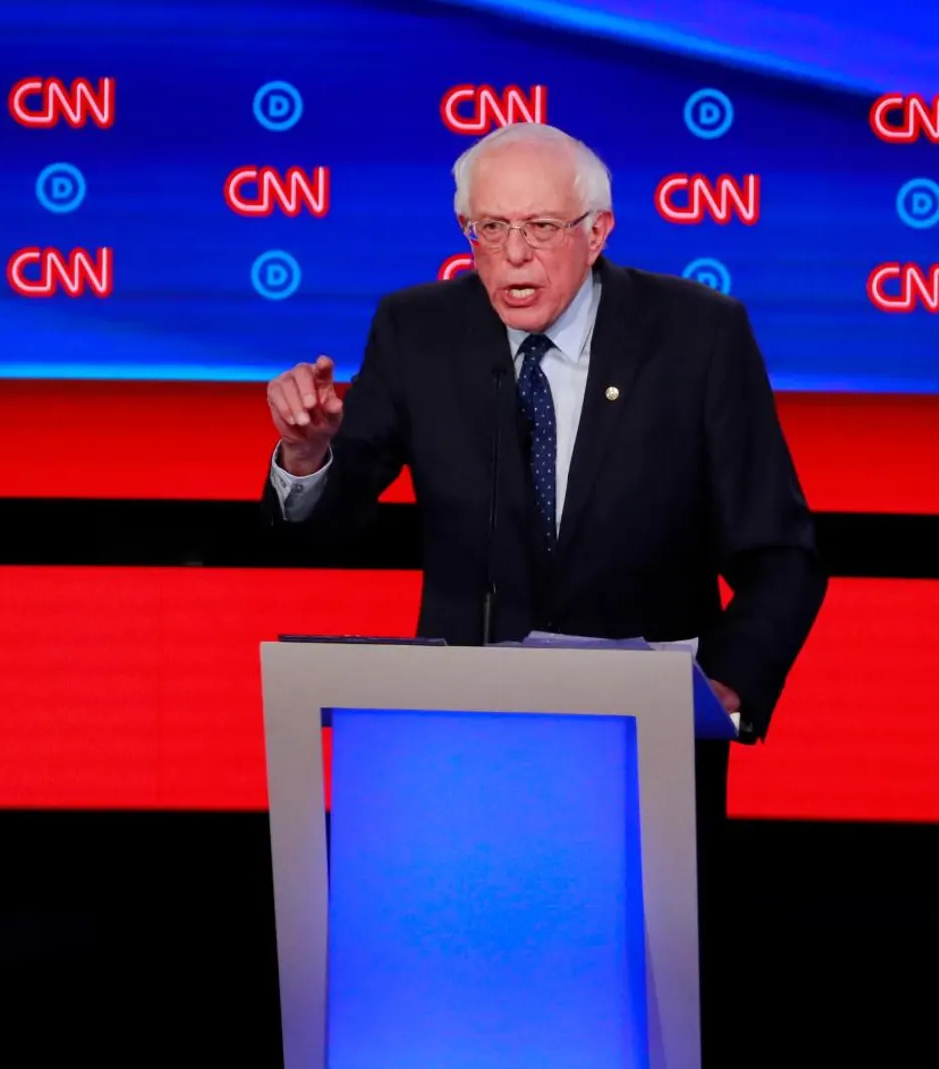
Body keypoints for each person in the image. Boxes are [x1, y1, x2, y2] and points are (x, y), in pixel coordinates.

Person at [262, 121, 826, 1054]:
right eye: (488, 230)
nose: (513, 256)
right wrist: (307, 451)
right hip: (453, 768)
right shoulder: (420, 329)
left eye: (540, 229)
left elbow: (782, 552)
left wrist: (723, 686)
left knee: (626, 1024)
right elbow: (331, 518)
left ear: (598, 231)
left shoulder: (695, 335)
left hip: (638, 768)